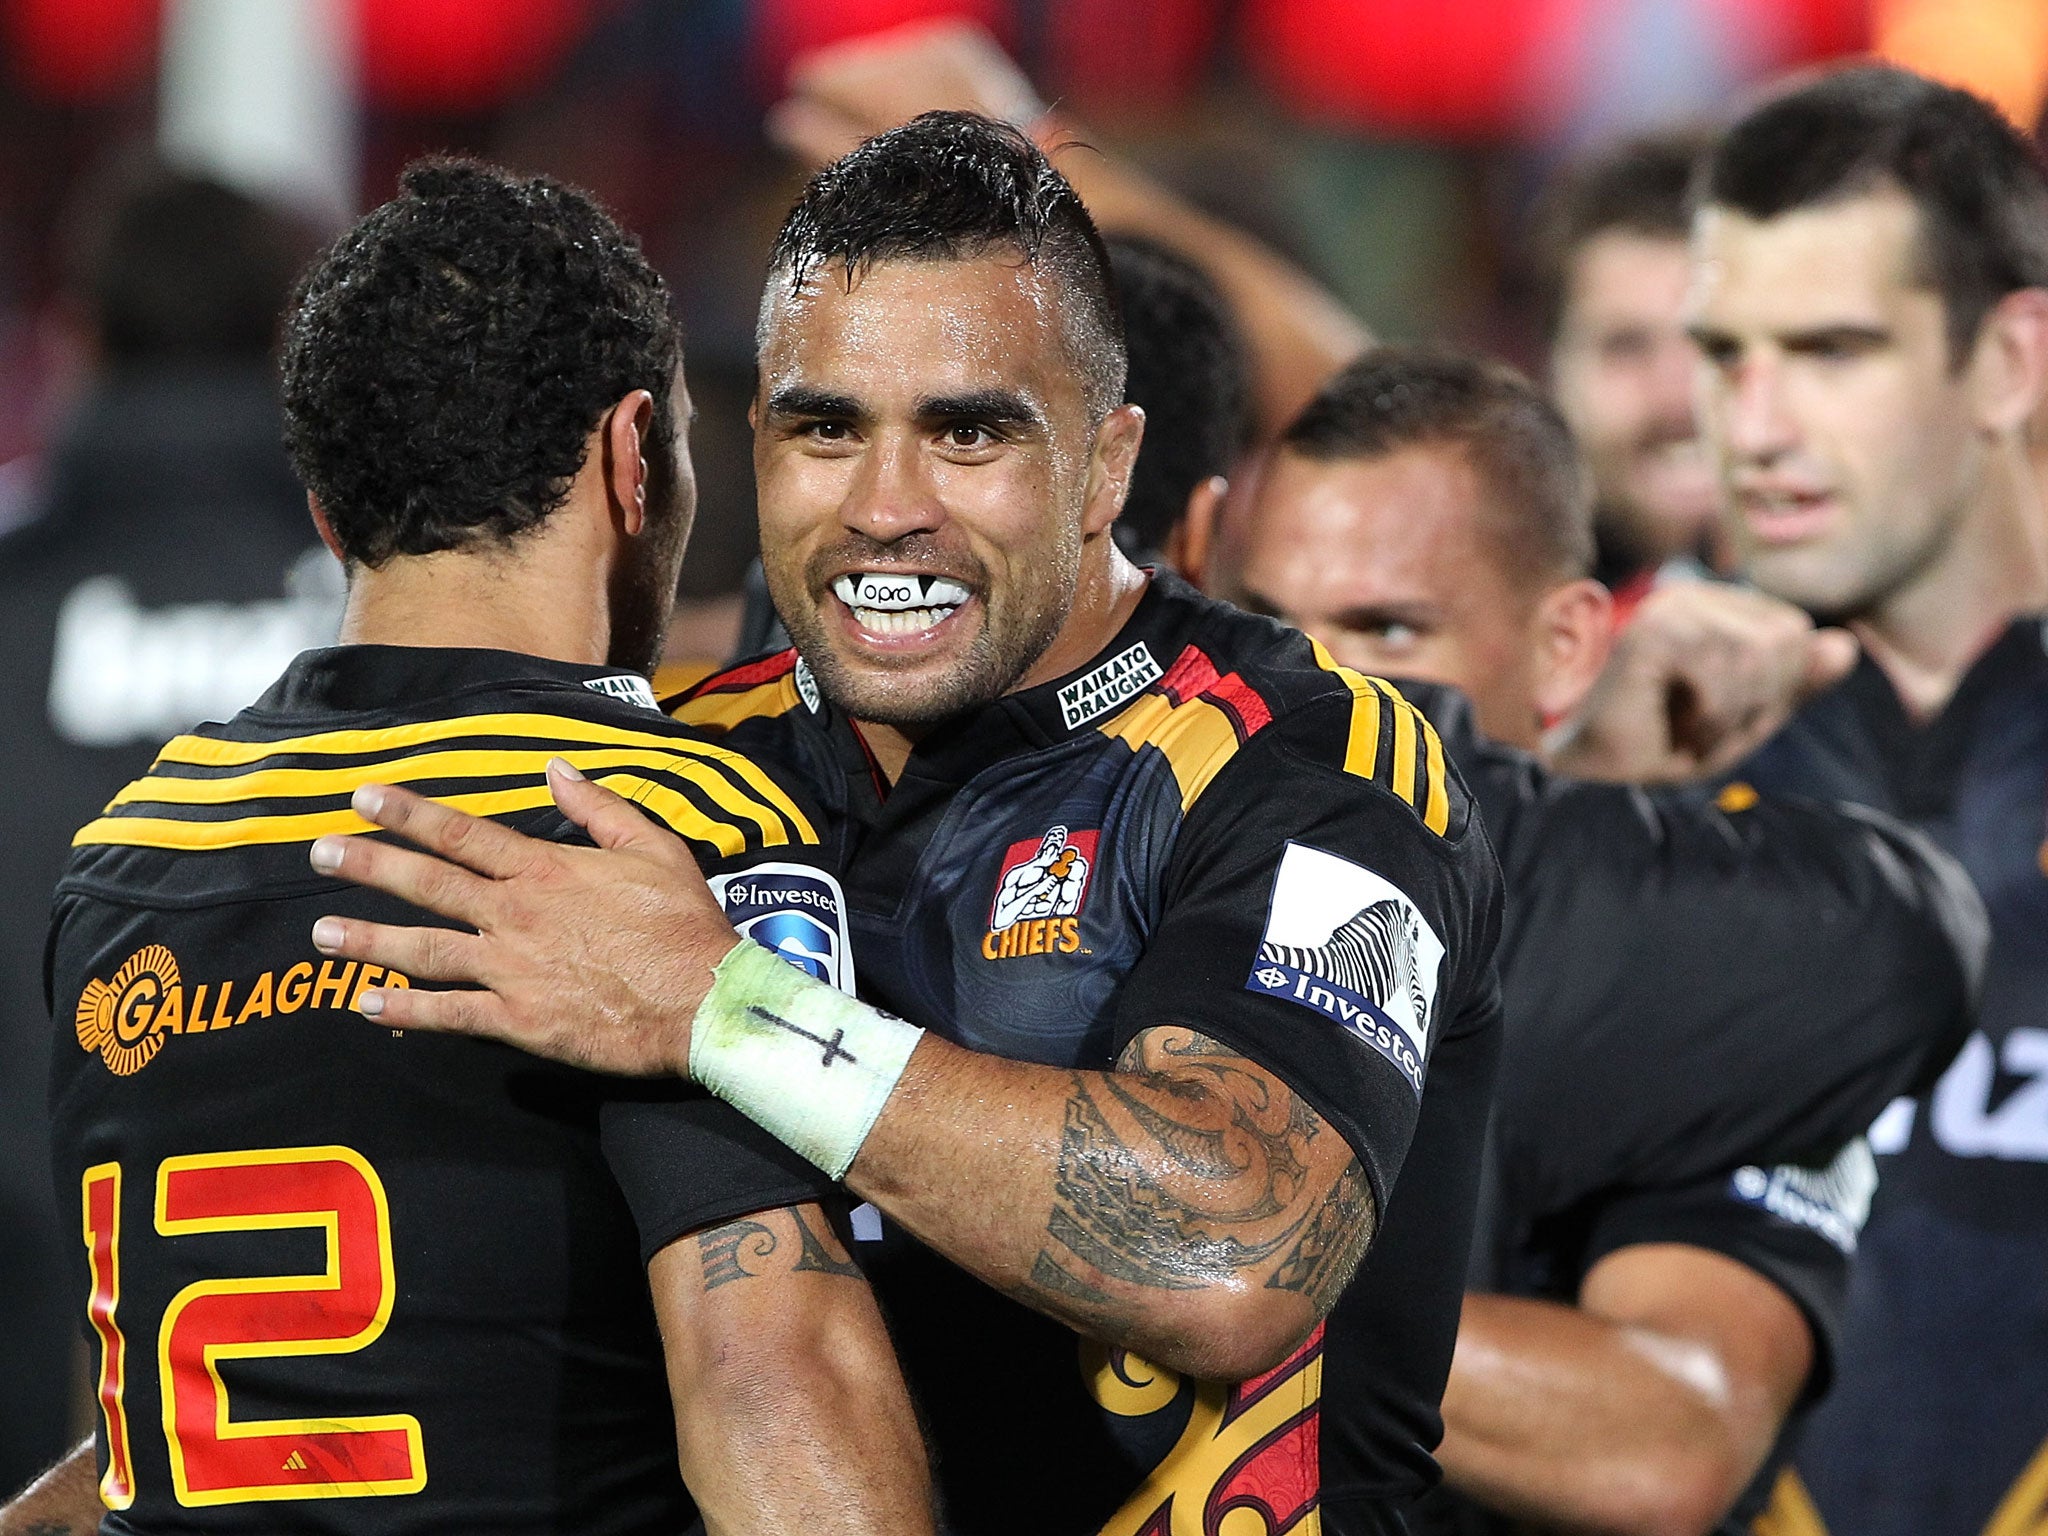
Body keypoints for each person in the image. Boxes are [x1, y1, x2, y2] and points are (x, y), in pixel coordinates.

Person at [304, 112, 1506, 1535]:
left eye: (970, 431)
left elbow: (1228, 1248)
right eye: (827, 429)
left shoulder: (1318, 763)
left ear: (1108, 466)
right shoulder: (668, 772)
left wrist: (721, 1011)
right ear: (752, 443)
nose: (886, 507)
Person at [24, 159, 929, 1535]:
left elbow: (153, 1425)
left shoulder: (129, 853)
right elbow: (769, 1367)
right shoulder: (659, 822)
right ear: (635, 457)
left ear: (327, 510)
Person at [1179, 346, 1984, 1534]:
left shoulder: (1719, 970)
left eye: (1387, 632)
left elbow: (1666, 1438)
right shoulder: (1154, 860)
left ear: (1563, 646)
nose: (1319, 702)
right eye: (1272, 631)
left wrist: (1175, 1260)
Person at [1626, 64, 2048, 1535]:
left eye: (1831, 350)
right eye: (1726, 353)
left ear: (2009, 360)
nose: (1754, 426)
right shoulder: (1624, 760)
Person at [0, 157, 333, 1496]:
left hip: (32, 1374)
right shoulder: (404, 604)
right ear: (292, 346)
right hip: (370, 1396)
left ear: (75, 340)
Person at [1528, 127, 1725, 609]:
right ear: (1551, 373)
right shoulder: (1492, 642)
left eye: (1718, 344)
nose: (1677, 396)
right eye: (1626, 346)